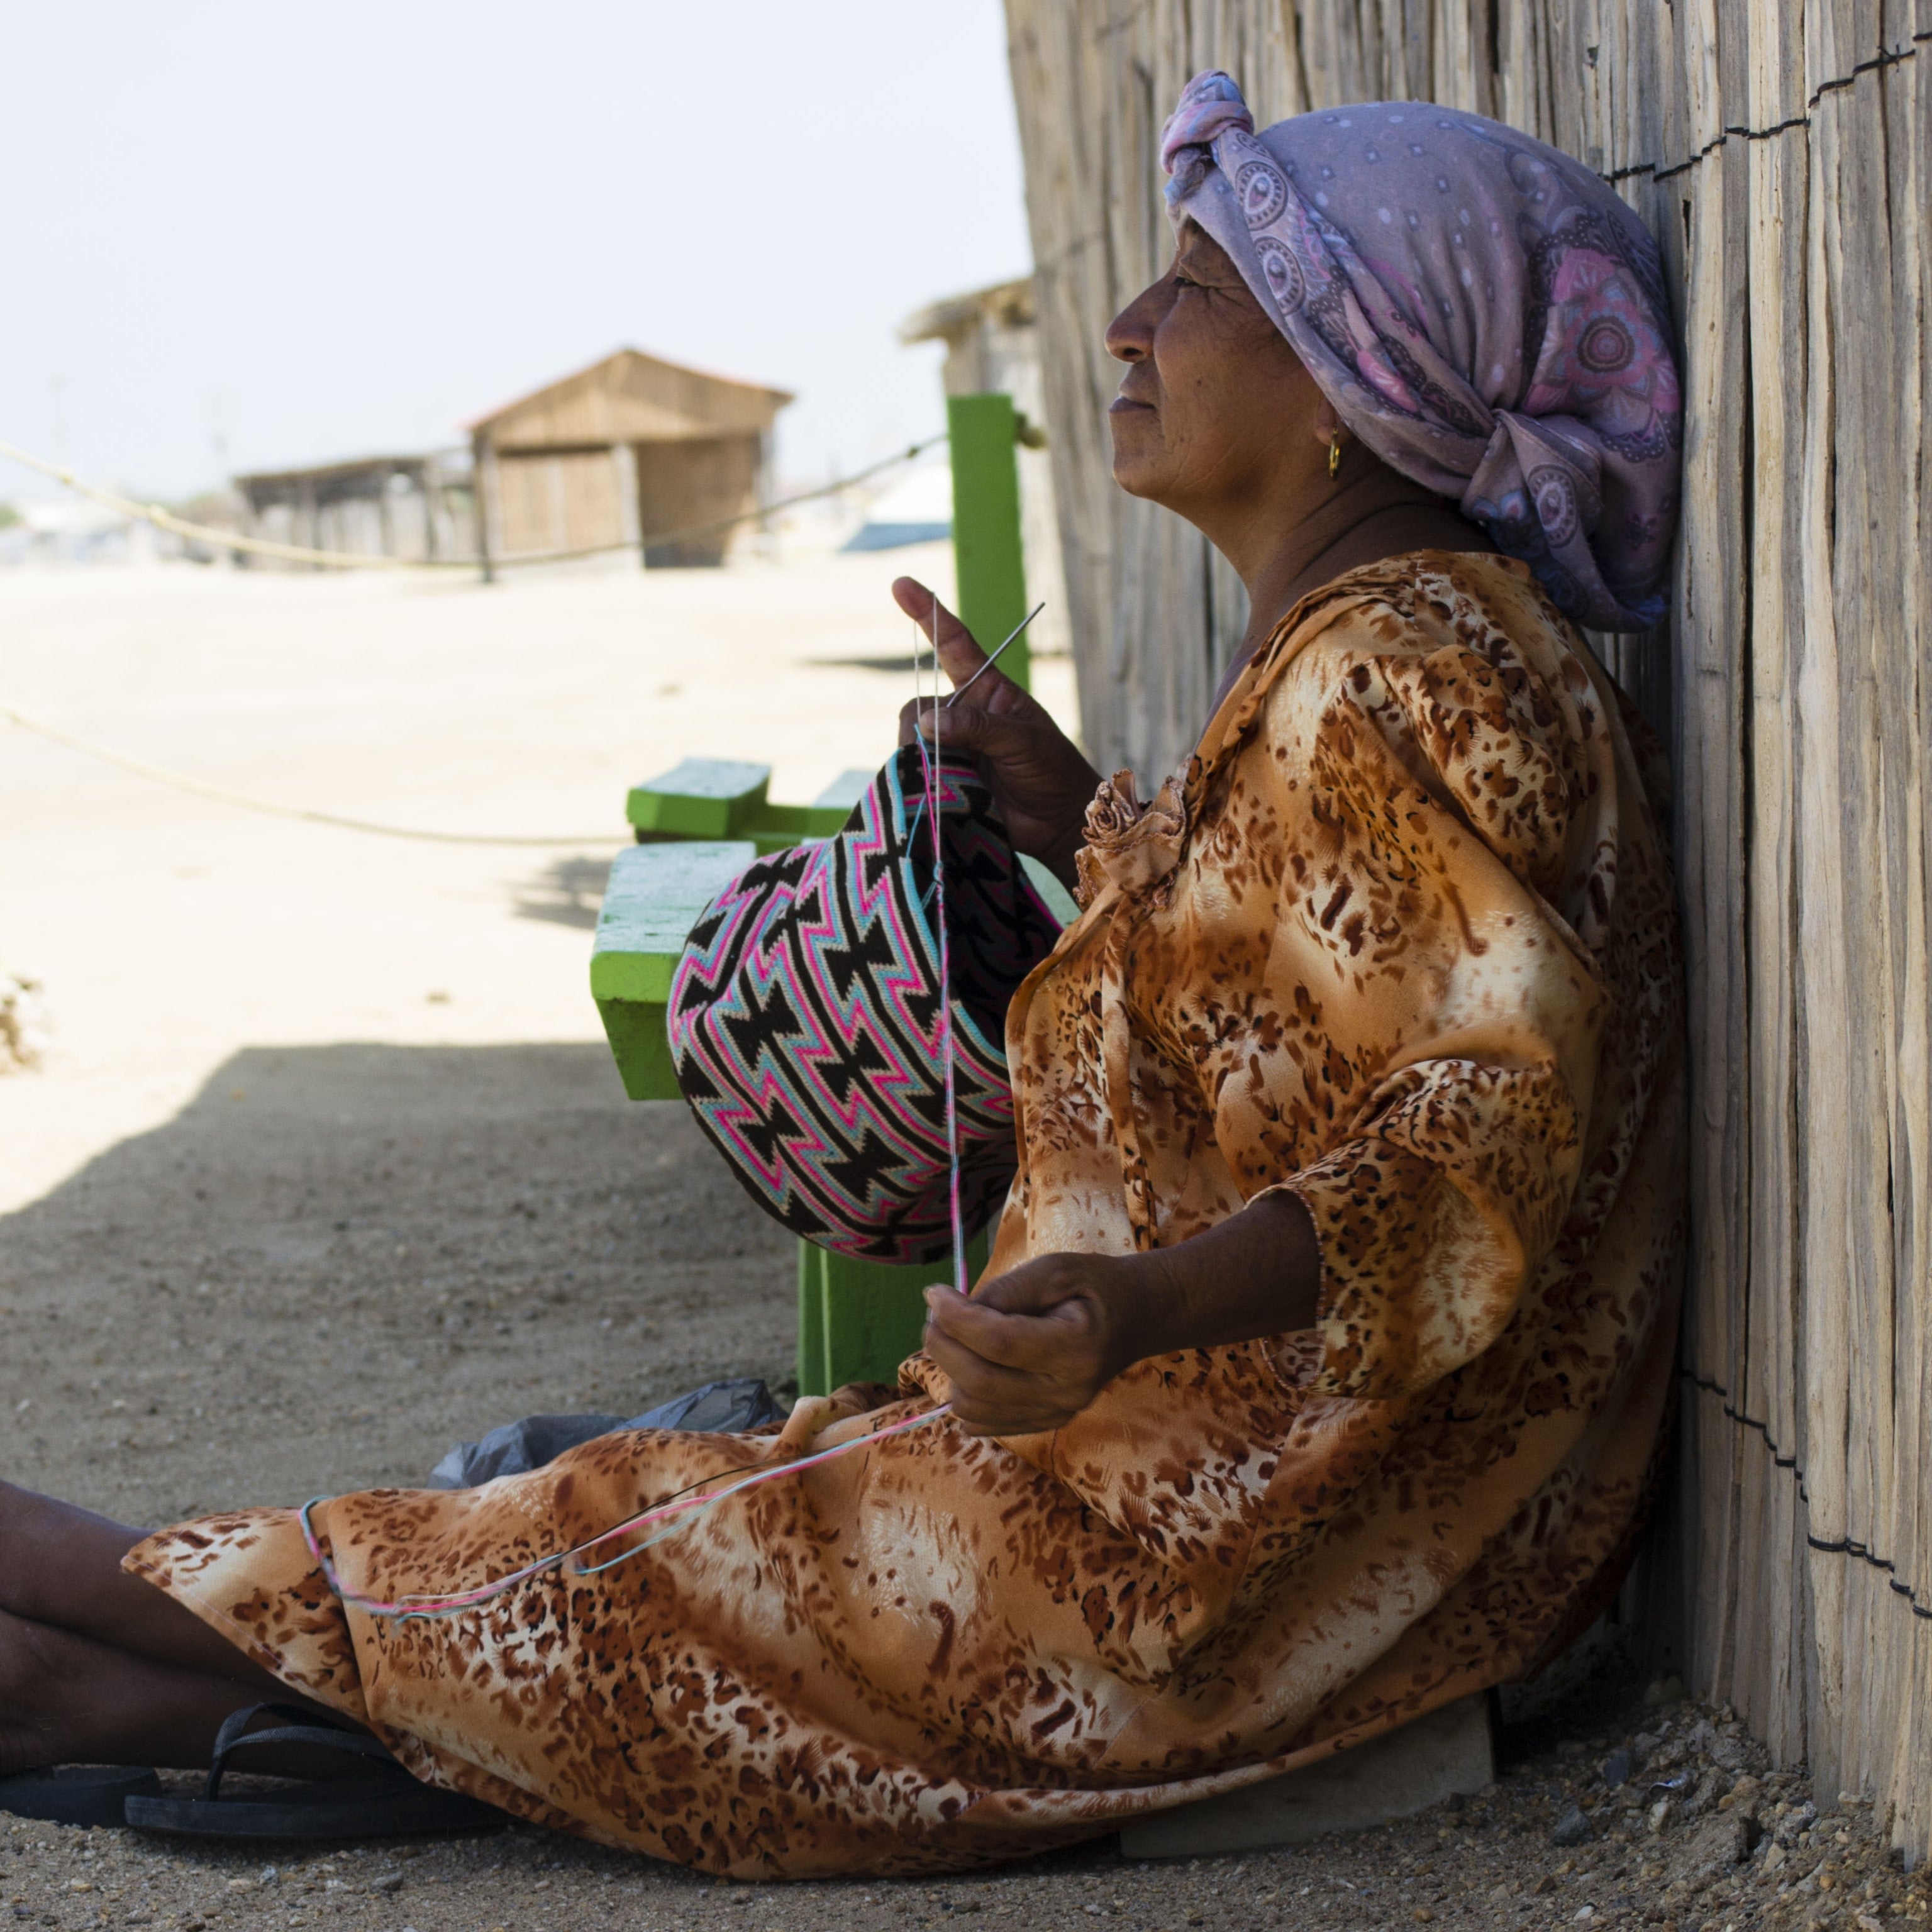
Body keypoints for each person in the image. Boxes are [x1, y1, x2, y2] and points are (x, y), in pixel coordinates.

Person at [0, 74, 1684, 1878]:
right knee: (621, 1544)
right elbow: (1290, 995)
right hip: (1239, 1499)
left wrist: (1133, 1311)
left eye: (1198, 289)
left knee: (612, 1553)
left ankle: (89, 1607)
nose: (1128, 325)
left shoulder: (1403, 678)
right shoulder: (1365, 657)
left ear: (1358, 380)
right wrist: (1086, 823)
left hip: (1251, 1546)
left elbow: (1466, 1138)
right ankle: (115, 1669)